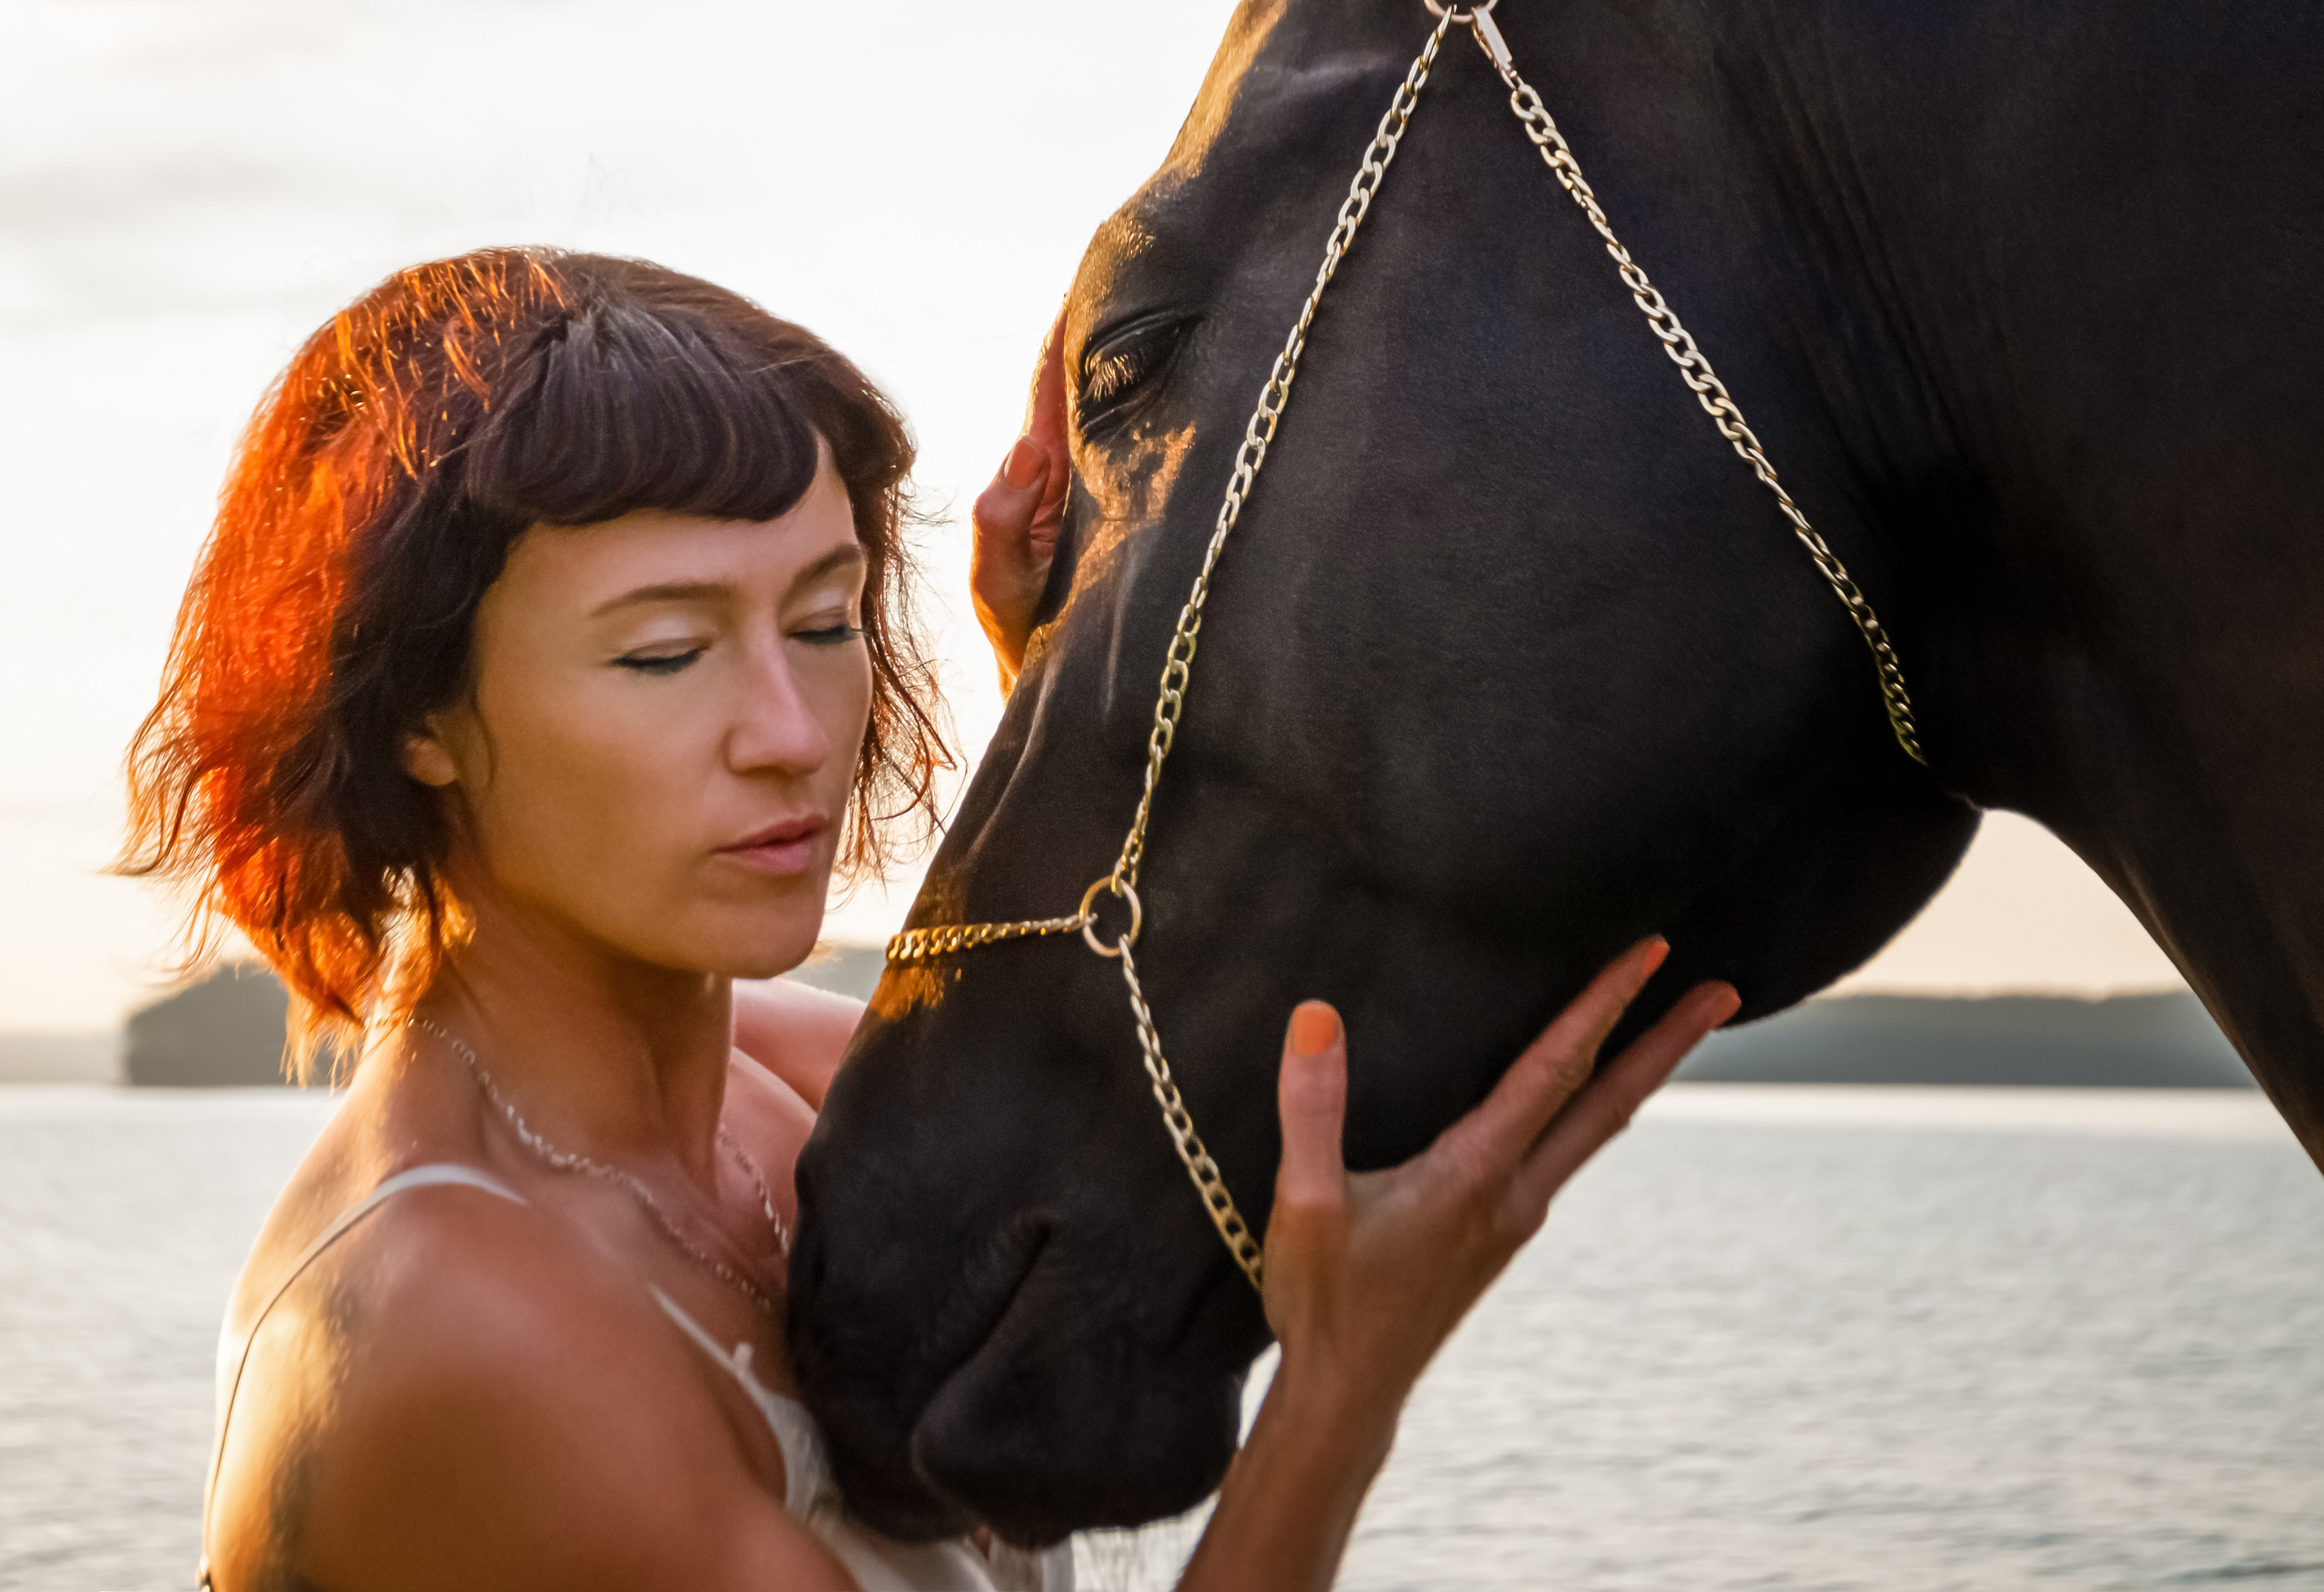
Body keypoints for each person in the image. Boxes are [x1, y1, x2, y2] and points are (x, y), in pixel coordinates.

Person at [126, 248, 1740, 1592]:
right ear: (414, 711)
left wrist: (1078, 684)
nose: (792, 729)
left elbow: (1170, 1023)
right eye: (665, 654)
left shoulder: (807, 1086)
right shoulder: (454, 1322)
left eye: (826, 620)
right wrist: (1340, 1392)